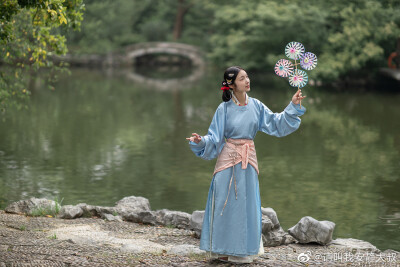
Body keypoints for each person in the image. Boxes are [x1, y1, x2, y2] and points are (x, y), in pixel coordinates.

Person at [186, 66, 306, 264]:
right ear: (232, 85)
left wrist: (292, 106)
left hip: (248, 161)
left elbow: (276, 123)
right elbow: (215, 138)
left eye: (247, 77)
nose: (247, 80)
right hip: (227, 162)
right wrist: (200, 141)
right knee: (225, 204)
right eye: (242, 78)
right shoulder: (223, 109)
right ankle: (221, 250)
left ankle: (242, 251)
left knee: (246, 205)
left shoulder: (256, 106)